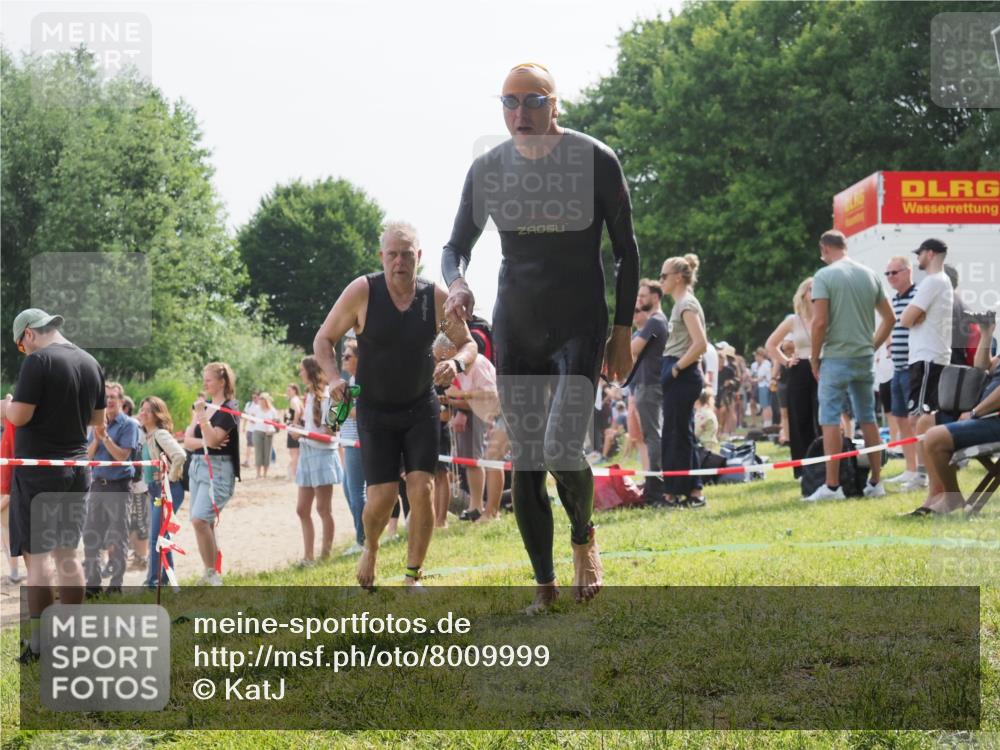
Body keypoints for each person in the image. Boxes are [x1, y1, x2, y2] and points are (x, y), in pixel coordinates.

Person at [442, 62, 638, 610]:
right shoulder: (488, 168)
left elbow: (626, 251)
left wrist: (621, 331)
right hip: (518, 322)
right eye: (508, 101)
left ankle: (583, 537)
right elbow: (455, 245)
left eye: (532, 100)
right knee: (526, 457)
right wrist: (457, 283)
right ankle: (544, 586)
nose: (519, 112)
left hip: (579, 323)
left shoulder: (595, 159)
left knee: (558, 445)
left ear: (555, 105)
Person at [314, 220, 477, 589]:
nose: (399, 262)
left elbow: (469, 344)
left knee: (423, 489)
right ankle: (370, 548)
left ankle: (412, 576)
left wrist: (456, 363)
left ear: (419, 257)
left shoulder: (433, 296)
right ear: (381, 256)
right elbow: (323, 340)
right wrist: (336, 379)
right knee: (382, 499)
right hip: (375, 411)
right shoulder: (362, 291)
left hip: (420, 406)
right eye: (392, 254)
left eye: (407, 254)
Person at [2, 309, 104, 663]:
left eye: (20, 346)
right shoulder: (90, 361)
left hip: (40, 473)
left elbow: (20, 416)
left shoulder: (39, 362)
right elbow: (96, 421)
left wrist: (6, 406)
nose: (24, 353)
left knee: (38, 560)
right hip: (77, 469)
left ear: (28, 335)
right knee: (67, 555)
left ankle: (42, 645)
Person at [806, 230, 894, 501]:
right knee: (868, 418)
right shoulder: (869, 274)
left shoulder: (824, 276)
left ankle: (833, 487)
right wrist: (871, 346)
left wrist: (814, 356)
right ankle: (876, 482)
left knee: (830, 419)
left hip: (835, 357)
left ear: (824, 248)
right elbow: (889, 319)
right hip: (863, 358)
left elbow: (819, 322)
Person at [916, 317, 1000, 514]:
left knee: (935, 437)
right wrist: (986, 333)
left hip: (993, 419)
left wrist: (974, 412)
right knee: (925, 423)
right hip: (987, 418)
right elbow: (982, 366)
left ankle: (952, 499)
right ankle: (937, 494)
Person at [901, 238, 957, 488]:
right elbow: (912, 317)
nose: (918, 258)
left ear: (930, 253)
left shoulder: (932, 282)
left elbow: (906, 319)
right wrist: (915, 316)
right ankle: (925, 473)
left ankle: (922, 475)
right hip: (931, 356)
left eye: (920, 253)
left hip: (927, 357)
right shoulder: (942, 282)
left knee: (920, 417)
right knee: (924, 416)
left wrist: (915, 315)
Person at [434, 333, 504, 521]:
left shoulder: (477, 363)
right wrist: (451, 400)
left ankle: (492, 512)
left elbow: (492, 395)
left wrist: (461, 394)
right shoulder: (460, 369)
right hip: (483, 415)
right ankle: (479, 508)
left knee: (492, 460)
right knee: (479, 461)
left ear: (454, 350)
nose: (441, 362)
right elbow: (470, 401)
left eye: (442, 357)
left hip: (498, 416)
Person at [658, 254, 709, 507]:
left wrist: (676, 369)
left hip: (683, 372)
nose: (661, 281)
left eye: (664, 276)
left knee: (676, 434)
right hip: (679, 371)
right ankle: (692, 491)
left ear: (678, 277)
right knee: (679, 432)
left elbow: (700, 343)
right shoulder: (680, 304)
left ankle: (677, 492)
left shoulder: (686, 304)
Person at [81, 381, 140, 597]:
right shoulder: (97, 424)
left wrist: (105, 437)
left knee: (117, 537)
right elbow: (87, 456)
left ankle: (115, 585)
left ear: (121, 402)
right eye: (105, 398)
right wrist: (97, 438)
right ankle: (93, 585)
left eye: (113, 397)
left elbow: (123, 457)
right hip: (97, 486)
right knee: (91, 535)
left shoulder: (129, 425)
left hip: (118, 487)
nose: (108, 401)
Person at [183, 362, 240, 586]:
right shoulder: (201, 405)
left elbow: (216, 439)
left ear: (222, 382)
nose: (205, 383)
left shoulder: (230, 407)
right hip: (197, 466)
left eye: (209, 379)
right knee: (203, 523)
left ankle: (211, 573)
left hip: (219, 469)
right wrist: (205, 440)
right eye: (204, 378)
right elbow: (188, 442)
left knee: (200, 519)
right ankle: (210, 571)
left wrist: (203, 420)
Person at [766, 277, 819, 474]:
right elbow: (771, 345)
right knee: (800, 419)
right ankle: (803, 468)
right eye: (813, 289)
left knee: (823, 418)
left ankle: (825, 465)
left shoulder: (827, 315)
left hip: (822, 367)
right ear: (804, 294)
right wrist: (786, 362)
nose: (817, 292)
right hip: (800, 369)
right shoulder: (793, 320)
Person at [295, 356, 344, 565]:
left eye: (302, 370)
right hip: (307, 454)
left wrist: (302, 434)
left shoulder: (329, 397)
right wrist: (300, 432)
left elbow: (330, 433)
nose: (299, 374)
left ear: (311, 371)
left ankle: (325, 555)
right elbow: (311, 429)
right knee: (302, 509)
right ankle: (308, 557)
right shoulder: (308, 397)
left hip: (323, 456)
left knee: (323, 509)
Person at [137, 396, 186, 589]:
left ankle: (153, 582)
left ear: (157, 415)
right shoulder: (147, 435)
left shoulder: (160, 435)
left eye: (148, 410)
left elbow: (180, 455)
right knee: (162, 535)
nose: (143, 413)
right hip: (155, 490)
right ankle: (165, 578)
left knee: (157, 536)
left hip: (167, 489)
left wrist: (170, 477)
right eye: (142, 409)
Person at [881, 256, 920, 487]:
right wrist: (888, 343)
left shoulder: (917, 296)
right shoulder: (896, 299)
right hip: (898, 367)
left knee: (916, 421)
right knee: (900, 419)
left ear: (908, 272)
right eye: (887, 274)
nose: (890, 277)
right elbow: (890, 325)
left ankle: (920, 472)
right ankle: (910, 468)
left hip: (912, 368)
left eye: (894, 272)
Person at [631, 279, 668, 503]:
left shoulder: (654, 322)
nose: (639, 300)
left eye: (643, 296)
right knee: (651, 436)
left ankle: (655, 489)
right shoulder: (657, 321)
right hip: (650, 384)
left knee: (652, 437)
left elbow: (633, 350)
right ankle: (654, 485)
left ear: (655, 297)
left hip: (650, 386)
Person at [338, 339, 366, 553]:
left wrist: (342, 401)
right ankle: (361, 534)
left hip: (358, 442)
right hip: (348, 441)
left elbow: (360, 414)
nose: (343, 359)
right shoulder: (352, 381)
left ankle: (362, 539)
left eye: (348, 356)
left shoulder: (361, 382)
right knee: (348, 490)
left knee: (356, 492)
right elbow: (339, 417)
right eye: (343, 355)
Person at [285, 384, 304, 479]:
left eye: (289, 391)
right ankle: (293, 472)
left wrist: (294, 424)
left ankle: (293, 474)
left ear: (294, 391)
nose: (287, 393)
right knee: (296, 452)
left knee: (294, 453)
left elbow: (298, 411)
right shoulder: (297, 399)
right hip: (297, 427)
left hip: (294, 428)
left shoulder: (294, 400)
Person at [694, 388, 720, 453]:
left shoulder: (701, 414)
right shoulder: (709, 412)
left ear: (697, 400)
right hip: (712, 446)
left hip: (703, 449)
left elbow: (695, 433)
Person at [241, 391, 259, 467]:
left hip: (258, 428)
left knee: (257, 446)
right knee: (249, 445)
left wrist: (255, 419)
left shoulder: (261, 405)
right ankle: (247, 461)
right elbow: (245, 415)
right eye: (253, 397)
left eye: (255, 397)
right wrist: (244, 426)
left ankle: (257, 461)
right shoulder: (249, 404)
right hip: (250, 428)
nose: (254, 399)